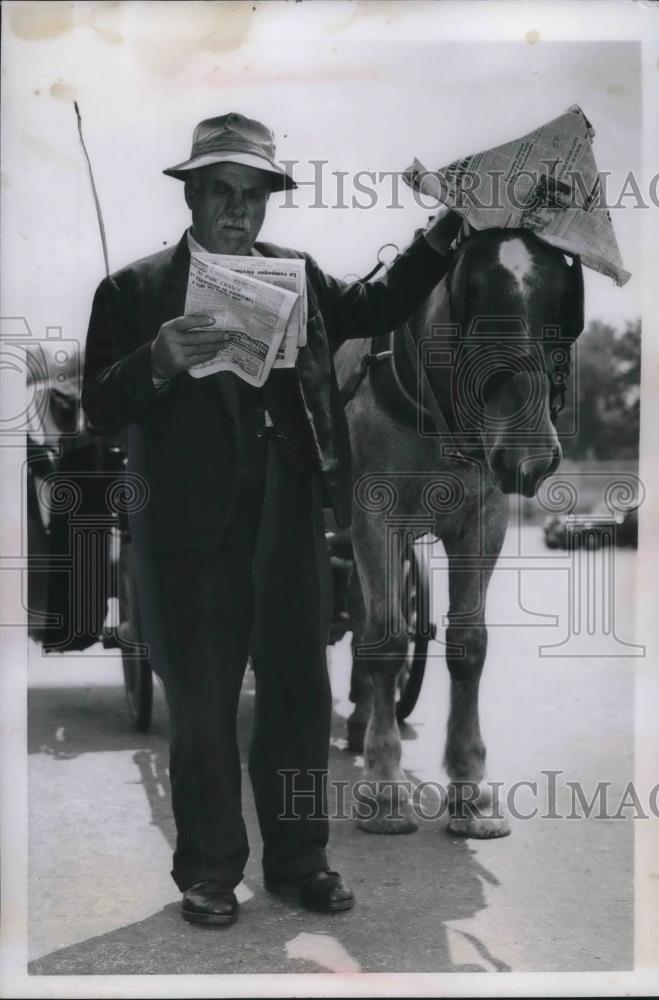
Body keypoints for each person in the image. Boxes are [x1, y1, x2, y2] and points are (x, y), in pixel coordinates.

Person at [83, 112, 461, 927]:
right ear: (191, 195)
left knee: (296, 695)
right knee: (205, 703)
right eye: (221, 192)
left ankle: (299, 862)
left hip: (286, 513)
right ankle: (210, 873)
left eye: (253, 196)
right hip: (187, 527)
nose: (238, 211)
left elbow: (377, 302)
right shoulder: (133, 290)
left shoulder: (295, 273)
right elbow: (99, 405)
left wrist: (449, 228)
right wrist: (157, 359)